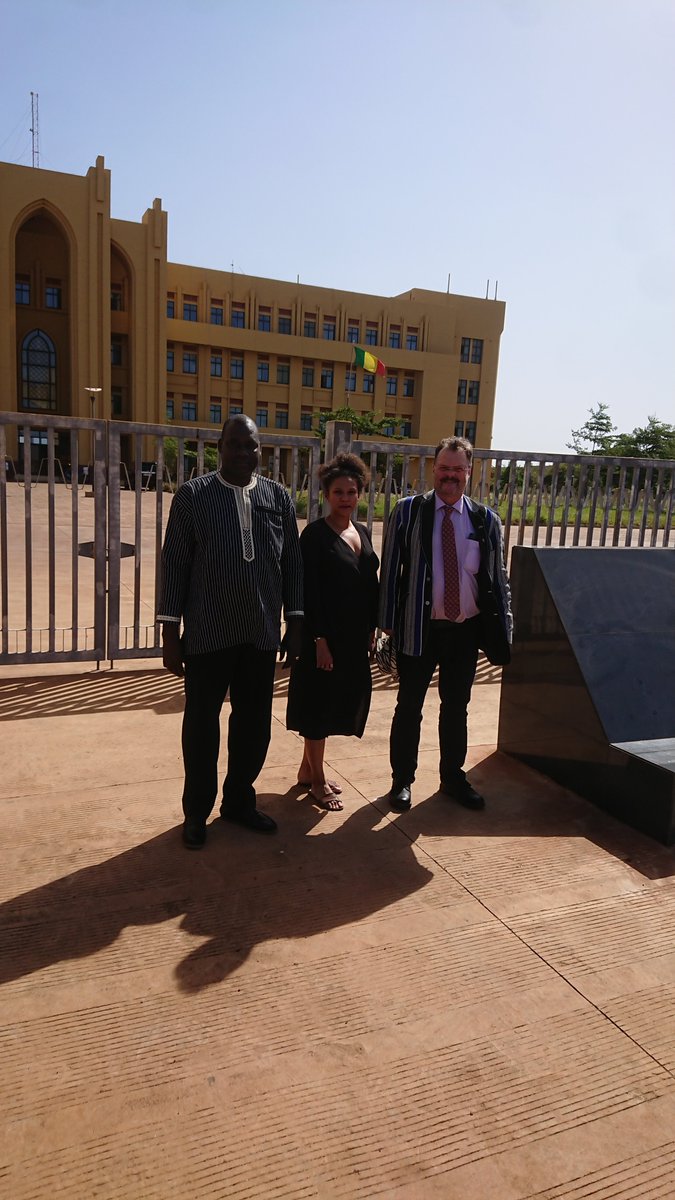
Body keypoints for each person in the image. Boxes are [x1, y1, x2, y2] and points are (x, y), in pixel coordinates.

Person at [158, 414, 303, 848]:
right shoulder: (193, 497)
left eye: (251, 446)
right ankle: (196, 812)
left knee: (254, 724)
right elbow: (175, 566)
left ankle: (239, 801)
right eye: (235, 444)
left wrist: (294, 624)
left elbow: (292, 564)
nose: (244, 453)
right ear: (219, 447)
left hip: (259, 634)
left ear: (262, 450)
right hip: (207, 633)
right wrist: (169, 634)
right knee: (201, 725)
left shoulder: (278, 498)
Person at [379, 435, 512, 812]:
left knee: (456, 708)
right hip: (417, 628)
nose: (449, 476)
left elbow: (497, 578)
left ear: (469, 471)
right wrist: (386, 624)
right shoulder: (406, 512)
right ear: (433, 469)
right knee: (409, 707)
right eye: (443, 468)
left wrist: (505, 627)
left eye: (457, 469)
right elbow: (390, 570)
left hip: (465, 631)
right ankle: (402, 780)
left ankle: (453, 777)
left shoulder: (486, 520)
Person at [286, 453, 379, 811]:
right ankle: (319, 781)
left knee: (336, 701)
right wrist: (319, 641)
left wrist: (371, 628)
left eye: (352, 491)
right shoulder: (315, 536)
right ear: (326, 494)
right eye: (338, 491)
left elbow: (368, 583)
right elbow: (310, 593)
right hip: (323, 637)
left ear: (360, 494)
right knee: (318, 707)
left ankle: (307, 771)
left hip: (354, 637)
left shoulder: (363, 531)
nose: (345, 497)